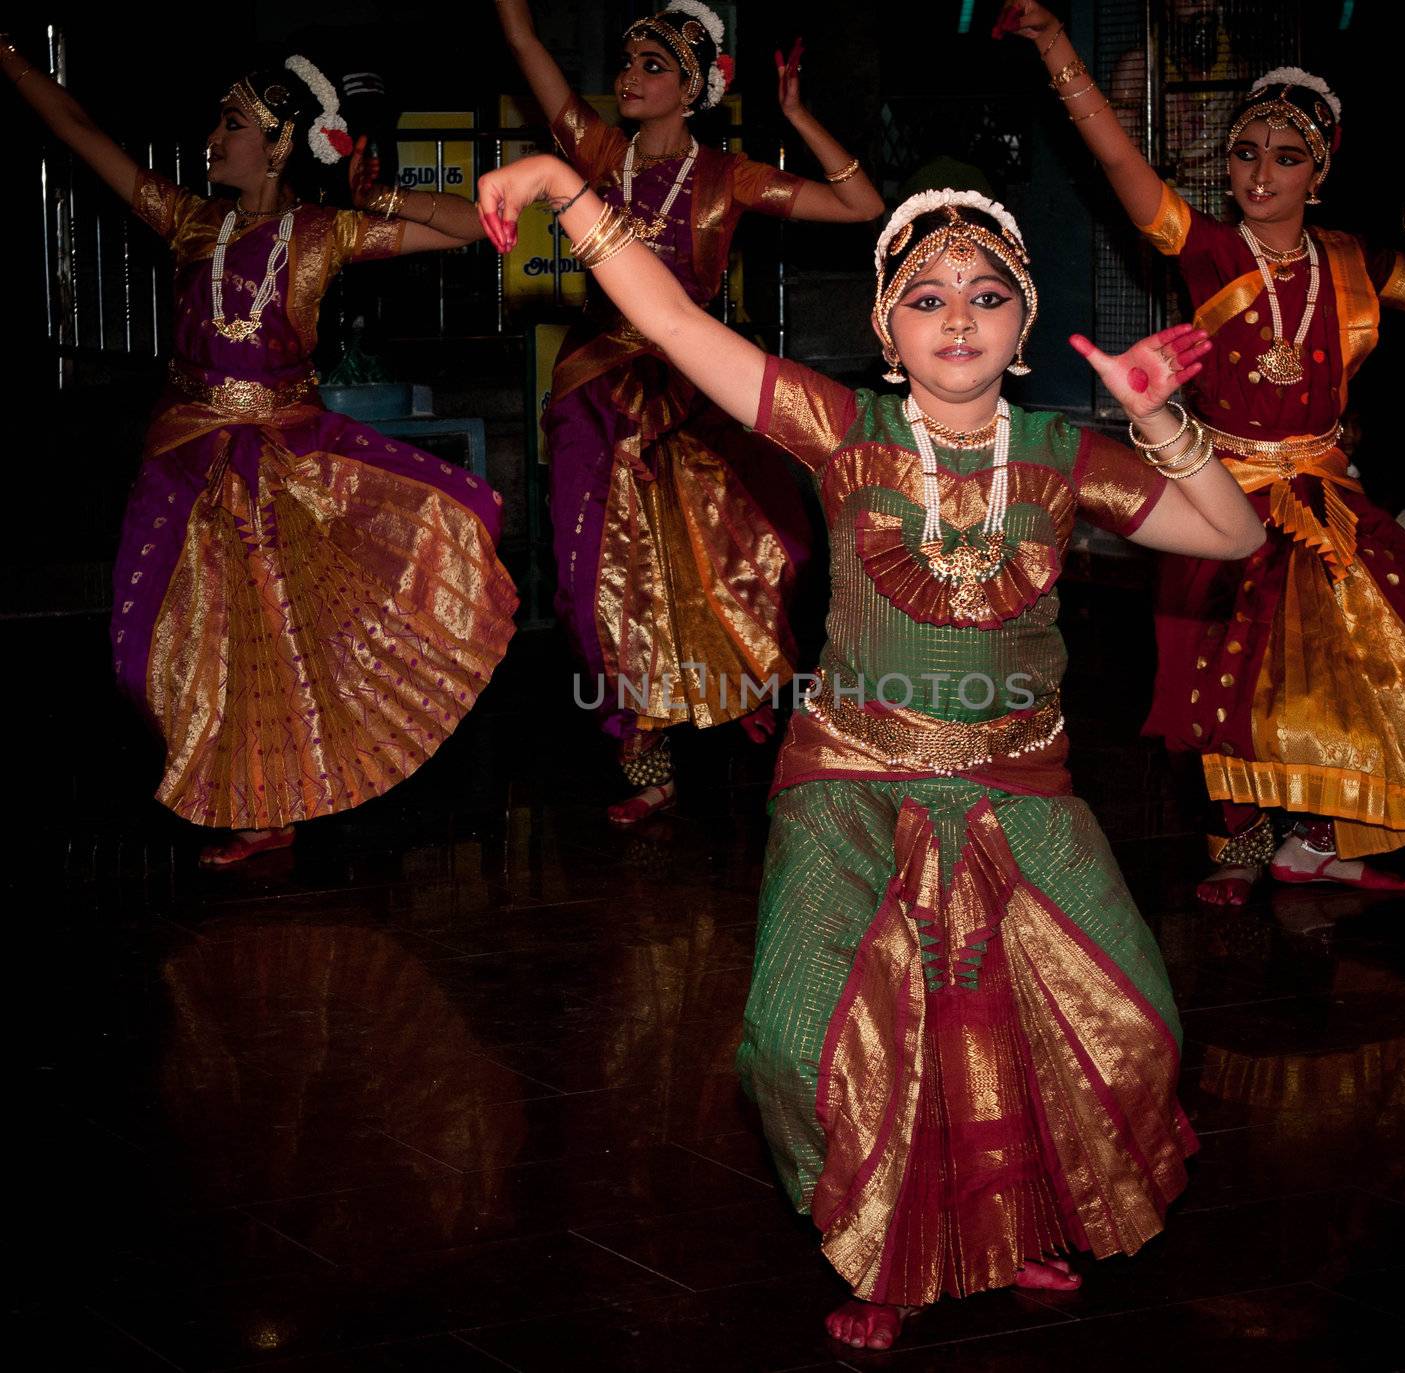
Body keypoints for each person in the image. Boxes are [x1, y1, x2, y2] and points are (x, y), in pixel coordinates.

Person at [475, 149, 1263, 1346]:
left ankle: (1025, 1219)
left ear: (1025, 322)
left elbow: (1232, 529)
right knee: (813, 1038)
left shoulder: (1058, 453)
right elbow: (676, 319)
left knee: (1121, 1022)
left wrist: (1157, 420)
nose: (960, 315)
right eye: (929, 294)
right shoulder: (841, 425)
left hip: (1016, 780)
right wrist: (559, 184)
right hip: (852, 774)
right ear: (889, 326)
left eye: (987, 293)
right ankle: (882, 1246)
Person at [1001, 3, 1405, 904]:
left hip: (1326, 497)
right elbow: (1117, 158)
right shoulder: (1208, 247)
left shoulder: (1353, 261)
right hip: (1225, 495)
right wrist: (1055, 44)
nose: (1259, 173)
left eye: (1285, 156)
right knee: (1232, 676)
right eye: (1245, 153)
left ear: (1321, 172)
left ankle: (1312, 839)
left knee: (1360, 665)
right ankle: (1238, 838)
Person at [3, 37, 519, 865]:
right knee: (148, 656)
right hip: (185, 455)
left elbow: (470, 229)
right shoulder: (188, 220)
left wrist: (387, 194)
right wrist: (13, 63)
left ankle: (265, 811)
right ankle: (241, 790)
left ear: (279, 143)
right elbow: (79, 133)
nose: (213, 136)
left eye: (232, 121)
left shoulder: (321, 235)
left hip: (288, 458)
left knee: (273, 642)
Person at [493, 0, 884, 824]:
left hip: (693, 389)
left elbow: (861, 208)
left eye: (652, 66)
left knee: (759, 547)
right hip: (596, 392)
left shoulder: (729, 176)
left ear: (694, 87)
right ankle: (644, 753)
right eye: (628, 62)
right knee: (588, 583)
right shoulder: (596, 153)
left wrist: (798, 115)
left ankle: (741, 688)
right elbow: (527, 40)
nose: (628, 78)